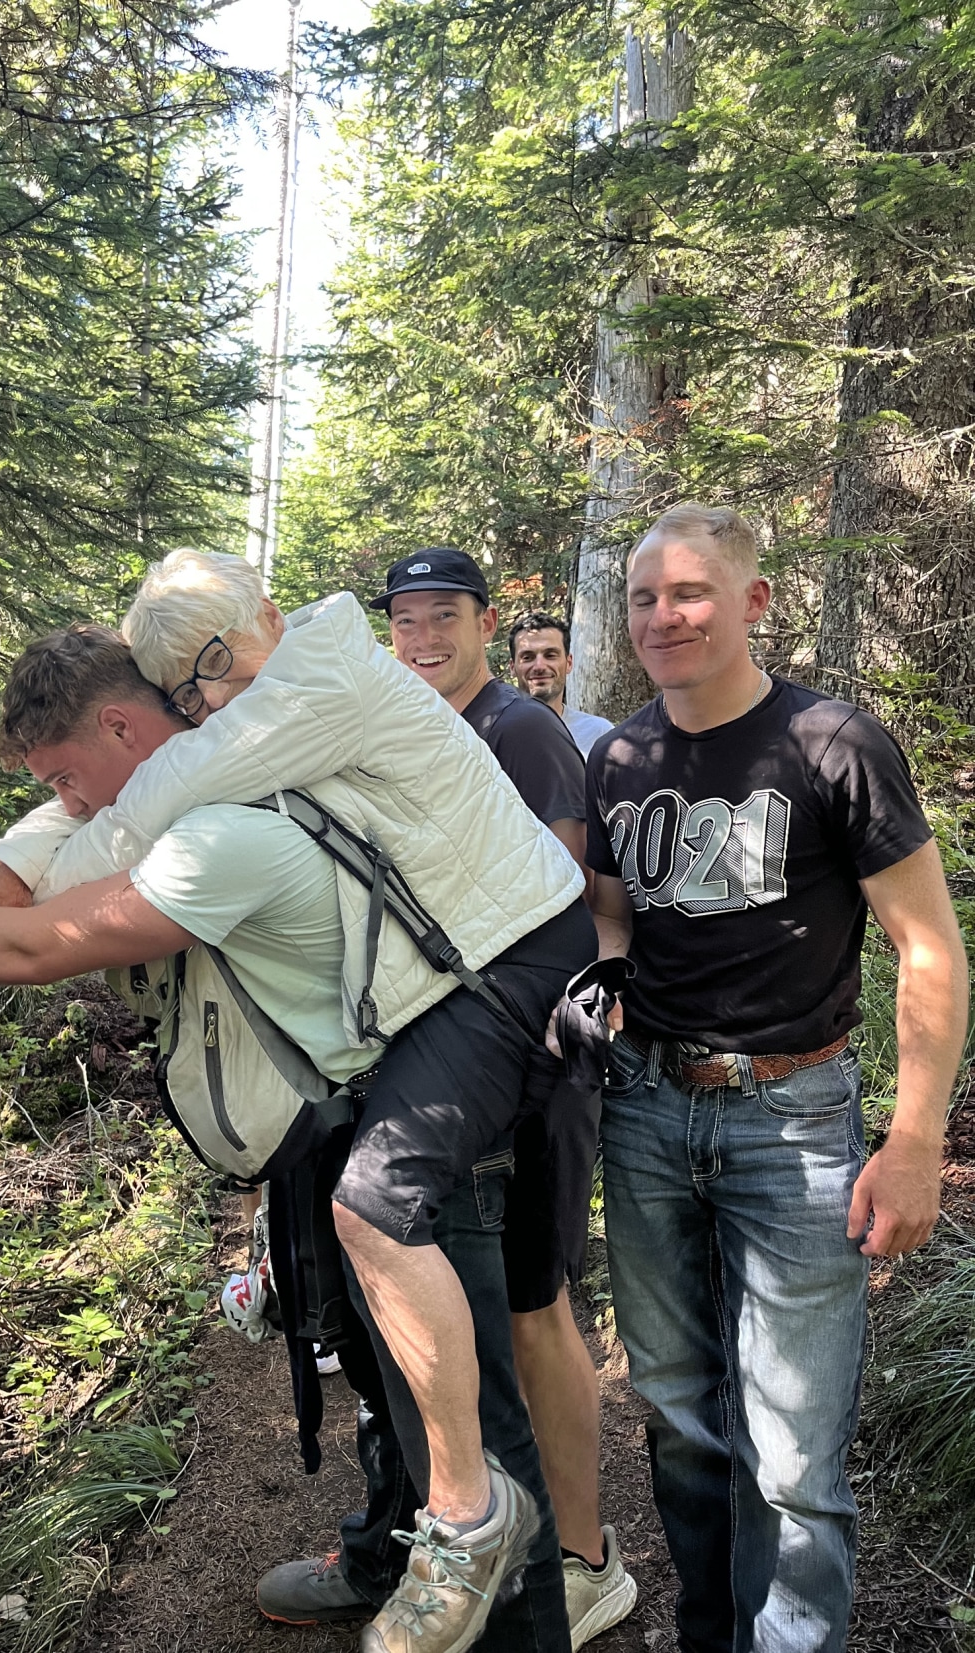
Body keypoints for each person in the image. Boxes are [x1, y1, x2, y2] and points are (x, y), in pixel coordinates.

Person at [0, 607, 593, 1653]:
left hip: (420, 1109)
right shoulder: (166, 791)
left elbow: (25, 942)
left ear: (122, 731)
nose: (60, 805)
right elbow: (7, 873)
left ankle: (500, 1608)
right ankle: (394, 1557)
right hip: (345, 1110)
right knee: (389, 1389)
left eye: (64, 776)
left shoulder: (223, 831)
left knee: (467, 1432)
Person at [579, 503, 969, 1652]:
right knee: (681, 1419)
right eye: (646, 598)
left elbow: (931, 947)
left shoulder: (833, 745)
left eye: (691, 593)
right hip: (645, 1113)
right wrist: (602, 981)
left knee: (793, 1453)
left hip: (794, 1118)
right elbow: (613, 910)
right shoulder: (621, 756)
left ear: (753, 602)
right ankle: (714, 1630)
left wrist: (910, 1143)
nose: (665, 616)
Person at [259, 548, 635, 1648]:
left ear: (485, 624)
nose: (421, 639)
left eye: (442, 619)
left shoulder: (517, 730)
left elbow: (545, 902)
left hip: (521, 1067)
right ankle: (413, 1539)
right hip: (438, 1066)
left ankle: (575, 1558)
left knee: (528, 1305)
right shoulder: (396, 720)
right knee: (430, 1314)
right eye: (404, 622)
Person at [507, 611, 613, 757]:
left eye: (550, 655)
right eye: (527, 657)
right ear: (512, 667)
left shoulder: (599, 734)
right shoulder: (496, 733)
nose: (539, 666)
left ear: (569, 663)